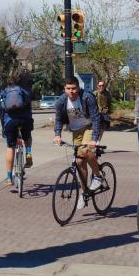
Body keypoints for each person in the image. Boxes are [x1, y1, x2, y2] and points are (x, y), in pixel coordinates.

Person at [53, 76, 103, 210]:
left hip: (89, 127)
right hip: (76, 130)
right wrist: (57, 135)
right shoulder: (61, 101)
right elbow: (58, 119)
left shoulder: (87, 97)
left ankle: (98, 176)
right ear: (65, 89)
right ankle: (84, 193)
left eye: (74, 88)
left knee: (86, 151)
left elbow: (96, 117)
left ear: (78, 87)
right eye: (68, 89)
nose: (71, 91)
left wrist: (94, 139)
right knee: (79, 162)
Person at [0, 71, 34, 184]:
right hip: (25, 120)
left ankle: (9, 177)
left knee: (10, 147)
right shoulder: (26, 91)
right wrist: (29, 122)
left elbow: (2, 112)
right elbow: (29, 110)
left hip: (10, 122)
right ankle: (28, 153)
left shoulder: (4, 92)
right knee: (27, 137)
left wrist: (3, 127)